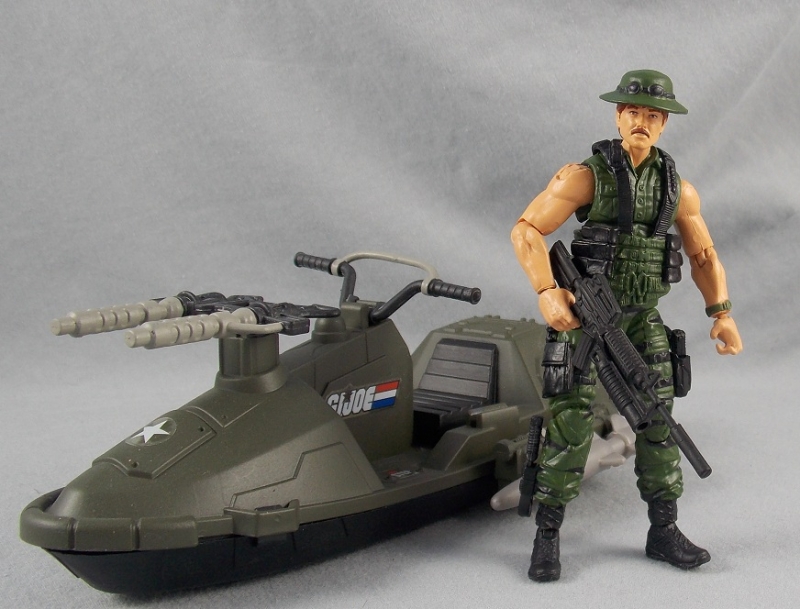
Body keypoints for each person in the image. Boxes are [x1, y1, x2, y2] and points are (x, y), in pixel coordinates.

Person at [510, 69, 742, 582]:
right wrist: (548, 291)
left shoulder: (677, 189)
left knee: (657, 417)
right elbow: (526, 229)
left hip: (641, 320)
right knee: (570, 424)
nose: (641, 121)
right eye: (633, 111)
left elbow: (703, 255)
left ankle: (664, 530)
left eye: (652, 115)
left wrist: (721, 314)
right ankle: (547, 534)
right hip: (584, 319)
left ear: (663, 123)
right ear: (618, 116)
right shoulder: (584, 177)